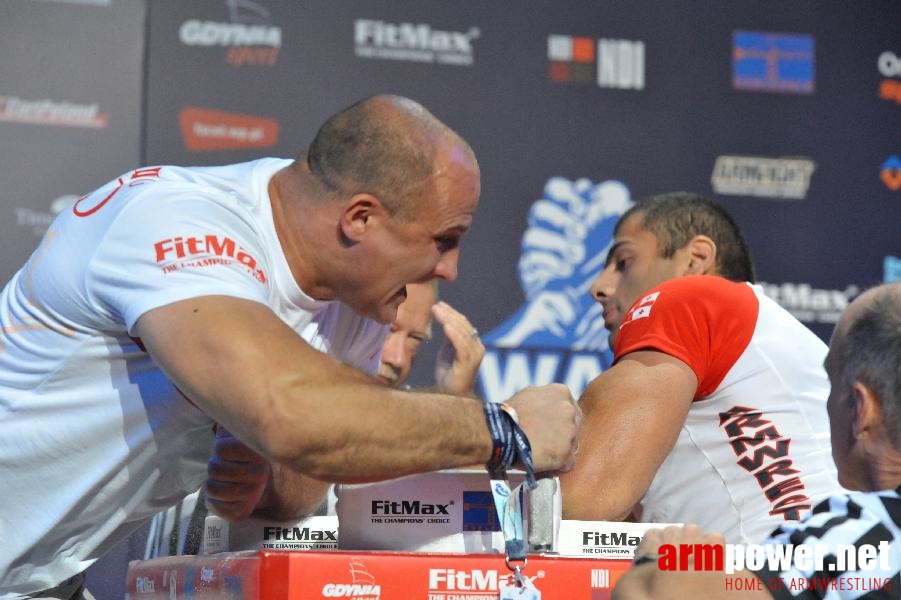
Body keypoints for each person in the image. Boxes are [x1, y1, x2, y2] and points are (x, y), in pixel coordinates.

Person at [0, 94, 580, 598]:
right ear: (360, 218)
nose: (450, 269)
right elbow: (292, 416)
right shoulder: (175, 221)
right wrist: (501, 428)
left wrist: (263, 478)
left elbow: (302, 471)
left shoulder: (354, 293)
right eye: (444, 240)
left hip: (42, 578)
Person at [560, 192, 841, 544]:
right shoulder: (762, 343)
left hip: (790, 577)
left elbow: (582, 501)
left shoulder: (690, 300)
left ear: (696, 260)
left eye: (623, 262)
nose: (598, 287)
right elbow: (605, 538)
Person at [145, 281, 485, 555]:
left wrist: (454, 400)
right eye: (388, 330)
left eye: (415, 339)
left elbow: (463, 520)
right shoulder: (247, 384)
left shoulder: (412, 418)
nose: (395, 357)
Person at [613, 282, 901, 599]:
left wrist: (665, 559)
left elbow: (651, 594)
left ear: (861, 410)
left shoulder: (861, 538)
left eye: (831, 386)